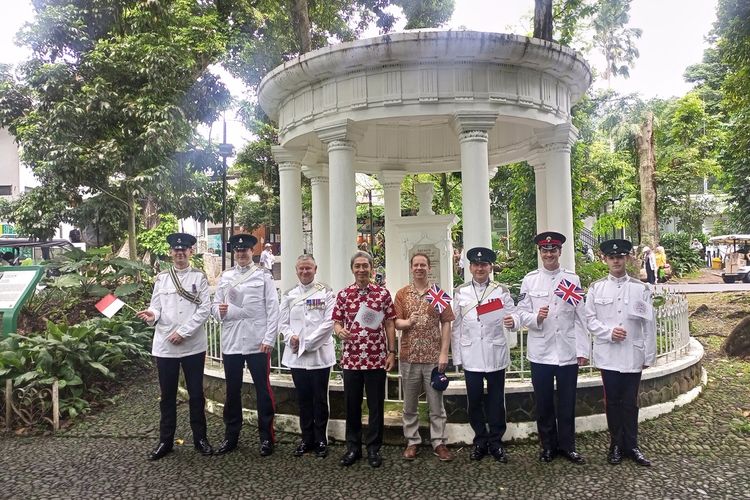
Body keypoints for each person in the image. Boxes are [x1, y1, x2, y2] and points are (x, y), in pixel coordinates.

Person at [136, 233, 214, 461]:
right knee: (167, 395)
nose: (180, 253)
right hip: (166, 345)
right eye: (176, 250)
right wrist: (151, 315)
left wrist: (183, 331)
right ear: (171, 253)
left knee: (196, 394)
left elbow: (205, 309)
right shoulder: (161, 279)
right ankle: (165, 441)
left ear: (191, 252)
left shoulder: (199, 277)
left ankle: (201, 438)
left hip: (192, 345)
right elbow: (156, 307)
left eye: (184, 250)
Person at [513, 232, 589, 464]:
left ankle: (568, 446)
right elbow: (521, 313)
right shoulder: (530, 280)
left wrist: (583, 350)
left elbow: (580, 317)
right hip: (541, 352)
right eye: (545, 250)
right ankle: (547, 446)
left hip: (566, 351)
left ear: (559, 252)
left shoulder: (571, 280)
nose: (549, 254)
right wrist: (536, 316)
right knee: (544, 402)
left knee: (567, 402)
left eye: (553, 250)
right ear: (540, 253)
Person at [585, 239, 656, 467]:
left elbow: (649, 324)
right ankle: (615, 444)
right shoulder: (596, 288)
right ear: (605, 259)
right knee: (612, 402)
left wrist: (649, 356)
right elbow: (590, 319)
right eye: (612, 257)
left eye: (620, 256)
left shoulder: (640, 288)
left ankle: (632, 445)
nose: (616, 260)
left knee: (630, 402)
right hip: (609, 355)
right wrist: (607, 332)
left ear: (626, 259)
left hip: (632, 354)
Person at [212, 233, 280, 457]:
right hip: (232, 341)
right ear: (234, 253)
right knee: (232, 391)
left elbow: (273, 308)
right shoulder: (226, 276)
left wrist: (269, 338)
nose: (241, 253)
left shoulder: (263, 276)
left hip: (256, 341)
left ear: (253, 252)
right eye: (238, 251)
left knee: (263, 390)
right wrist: (218, 311)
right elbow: (215, 304)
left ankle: (266, 438)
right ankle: (231, 436)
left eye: (245, 250)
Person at [452, 247, 517, 463]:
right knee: (475, 400)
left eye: (484, 265)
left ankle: (496, 441)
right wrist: (458, 357)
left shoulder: (501, 290)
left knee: (497, 400)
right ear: (470, 267)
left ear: (490, 267)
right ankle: (480, 440)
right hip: (471, 355)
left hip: (495, 352)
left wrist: (512, 322)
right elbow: (456, 326)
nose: (480, 268)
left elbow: (513, 317)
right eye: (476, 265)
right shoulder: (460, 291)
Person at [332, 251, 397, 468]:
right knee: (352, 405)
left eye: (365, 266)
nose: (361, 270)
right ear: (352, 269)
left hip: (376, 358)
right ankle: (353, 448)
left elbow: (389, 323)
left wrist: (391, 352)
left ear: (371, 268)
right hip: (351, 359)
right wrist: (339, 331)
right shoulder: (343, 295)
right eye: (357, 266)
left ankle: (373, 449)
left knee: (376, 405)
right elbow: (337, 321)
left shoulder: (382, 294)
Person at [393, 253, 454, 462]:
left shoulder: (437, 293)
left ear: (429, 268)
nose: (419, 268)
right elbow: (395, 323)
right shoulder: (402, 294)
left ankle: (439, 442)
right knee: (409, 404)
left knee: (436, 404)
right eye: (416, 265)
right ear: (411, 268)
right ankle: (412, 441)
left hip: (433, 357)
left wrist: (444, 353)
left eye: (423, 265)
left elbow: (447, 322)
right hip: (409, 355)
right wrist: (408, 322)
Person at [279, 254, 335, 458]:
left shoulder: (326, 292)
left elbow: (329, 323)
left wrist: (306, 343)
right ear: (296, 270)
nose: (305, 272)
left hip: (319, 354)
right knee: (302, 399)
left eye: (308, 268)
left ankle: (321, 439)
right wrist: (290, 336)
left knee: (320, 399)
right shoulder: (289, 294)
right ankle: (306, 438)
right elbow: (282, 322)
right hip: (296, 357)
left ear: (315, 269)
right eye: (301, 269)